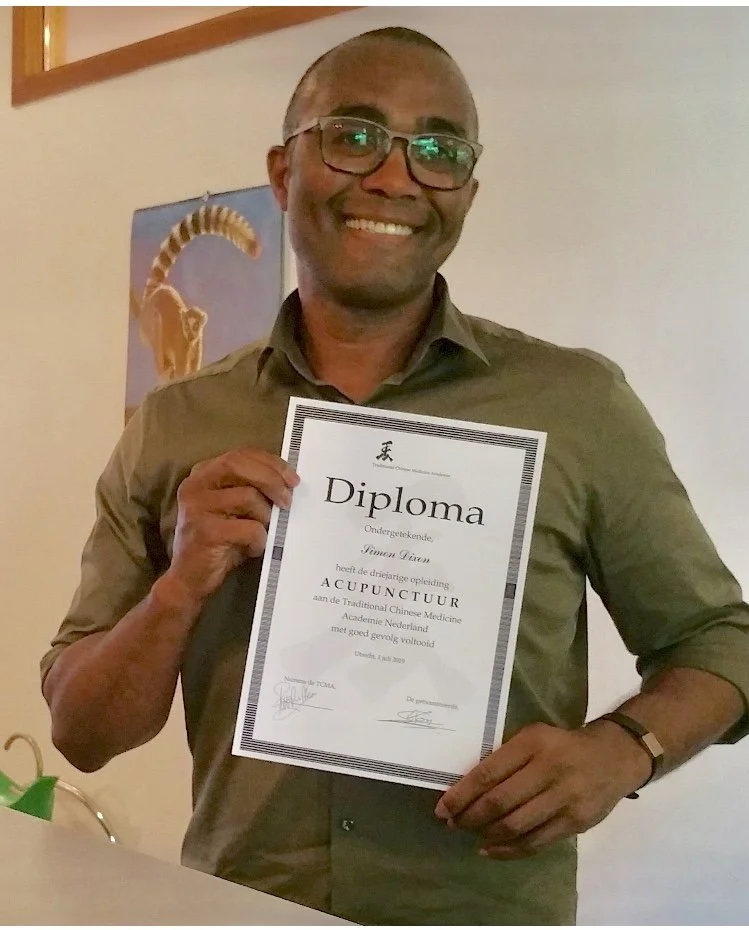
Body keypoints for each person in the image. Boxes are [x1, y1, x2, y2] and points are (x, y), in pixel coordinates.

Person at [41, 26, 749, 926]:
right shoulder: (177, 424)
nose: (394, 177)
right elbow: (82, 733)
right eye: (354, 136)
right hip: (241, 909)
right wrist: (178, 591)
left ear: (467, 194)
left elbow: (721, 641)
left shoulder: (576, 405)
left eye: (438, 151)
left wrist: (623, 749)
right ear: (282, 172)